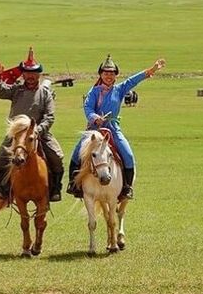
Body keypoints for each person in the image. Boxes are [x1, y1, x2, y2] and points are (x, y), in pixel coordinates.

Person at [67, 55, 166, 200]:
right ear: (101, 74)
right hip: (94, 129)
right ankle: (74, 184)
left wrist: (152, 70)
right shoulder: (94, 92)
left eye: (112, 74)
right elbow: (88, 108)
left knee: (128, 155)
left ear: (115, 76)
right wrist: (95, 117)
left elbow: (133, 80)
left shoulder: (119, 89)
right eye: (106, 73)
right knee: (77, 153)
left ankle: (127, 187)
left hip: (112, 128)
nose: (109, 76)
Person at [0, 47, 64, 202]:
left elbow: (50, 116)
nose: (30, 76)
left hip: (38, 133)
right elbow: (0, 91)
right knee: (0, 159)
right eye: (27, 73)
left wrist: (38, 131)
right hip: (17, 134)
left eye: (34, 73)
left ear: (39, 75)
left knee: (57, 157)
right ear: (23, 74)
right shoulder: (16, 90)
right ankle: (2, 188)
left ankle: (55, 189)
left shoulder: (45, 93)